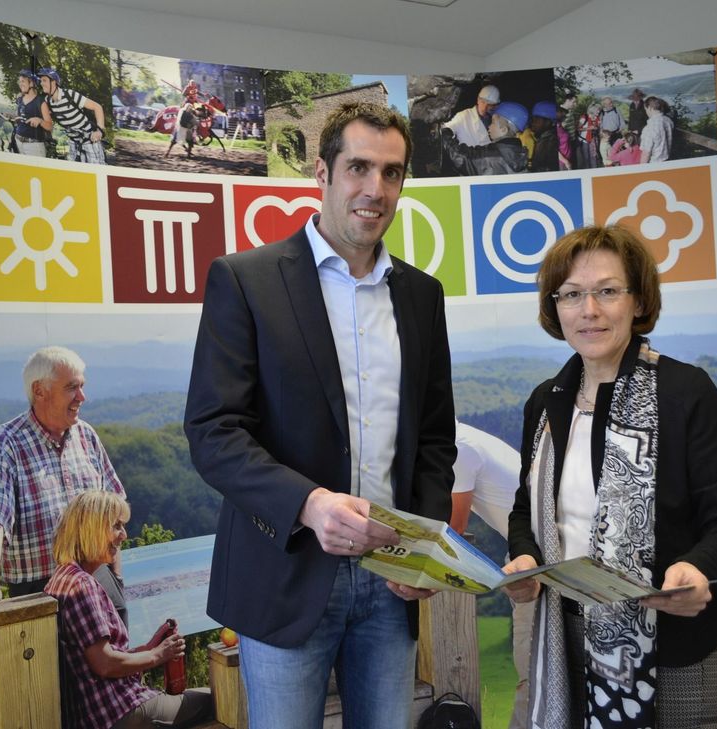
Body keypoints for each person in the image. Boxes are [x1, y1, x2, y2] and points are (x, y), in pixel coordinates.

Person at [184, 101, 457, 729]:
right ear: (322, 172)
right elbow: (214, 431)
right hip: (284, 575)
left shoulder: (422, 296)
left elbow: (435, 440)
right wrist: (310, 505)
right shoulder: (246, 280)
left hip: (392, 582)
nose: (374, 188)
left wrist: (425, 548)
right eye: (358, 166)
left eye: (391, 173)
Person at [503, 225, 717, 729]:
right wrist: (525, 556)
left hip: (675, 645)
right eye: (572, 294)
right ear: (555, 308)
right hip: (565, 635)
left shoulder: (686, 392)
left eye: (607, 291)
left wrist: (698, 568)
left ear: (638, 301)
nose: (589, 310)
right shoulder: (546, 400)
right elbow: (523, 509)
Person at [0, 346, 128, 634]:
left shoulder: (87, 436)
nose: (82, 397)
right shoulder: (5, 444)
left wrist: (116, 579)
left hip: (99, 582)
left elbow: (114, 510)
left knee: (118, 674)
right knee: (51, 679)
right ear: (39, 391)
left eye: (82, 386)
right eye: (72, 388)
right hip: (40, 592)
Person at [45, 491, 213, 729]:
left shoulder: (63, 578)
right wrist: (158, 655)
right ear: (91, 529)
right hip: (115, 711)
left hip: (95, 711)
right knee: (215, 698)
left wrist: (148, 648)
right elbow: (104, 664)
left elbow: (99, 653)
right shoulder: (82, 586)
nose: (123, 535)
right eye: (116, 526)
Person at [449, 422, 533, 729]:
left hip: (534, 561)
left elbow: (453, 527)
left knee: (531, 670)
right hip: (537, 552)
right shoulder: (468, 438)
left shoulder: (458, 447)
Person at [38, 67, 107, 164]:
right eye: (41, 81)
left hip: (89, 139)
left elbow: (97, 107)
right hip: (73, 143)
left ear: (53, 82)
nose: (41, 83)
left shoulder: (69, 94)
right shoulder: (48, 101)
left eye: (44, 80)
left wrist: (99, 130)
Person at [441, 100, 529, 176]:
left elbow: (462, 158)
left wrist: (444, 133)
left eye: (493, 123)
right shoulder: (520, 153)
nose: (489, 127)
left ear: (503, 129)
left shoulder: (494, 157)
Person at [12, 69, 52, 157]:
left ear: (31, 83)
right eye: (19, 81)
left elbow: (49, 126)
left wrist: (40, 121)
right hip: (18, 141)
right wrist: (16, 118)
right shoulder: (19, 99)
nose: (20, 84)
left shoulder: (40, 102)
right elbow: (20, 116)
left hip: (34, 146)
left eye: (23, 81)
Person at [640, 95, 674, 163]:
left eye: (645, 109)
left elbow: (646, 154)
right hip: (667, 161)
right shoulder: (668, 121)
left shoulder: (649, 128)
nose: (646, 112)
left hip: (654, 164)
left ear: (649, 108)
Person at [528, 101, 560, 173]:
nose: (533, 123)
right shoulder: (543, 138)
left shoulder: (552, 142)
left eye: (537, 120)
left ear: (549, 122)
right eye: (533, 119)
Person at [598, 96, 625, 165]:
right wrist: (601, 133)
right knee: (608, 151)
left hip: (617, 133)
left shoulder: (617, 110)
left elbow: (622, 120)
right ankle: (610, 164)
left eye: (611, 102)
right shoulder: (602, 112)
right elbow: (600, 124)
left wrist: (621, 129)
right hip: (607, 135)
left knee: (619, 149)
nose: (611, 104)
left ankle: (619, 163)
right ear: (605, 104)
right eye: (609, 103)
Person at [576, 102, 601, 169]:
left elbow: (598, 127)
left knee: (593, 157)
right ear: (593, 110)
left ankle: (594, 170)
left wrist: (597, 128)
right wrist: (588, 128)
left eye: (599, 110)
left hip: (593, 140)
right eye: (597, 110)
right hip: (584, 140)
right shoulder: (584, 117)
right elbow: (578, 128)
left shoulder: (597, 118)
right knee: (586, 157)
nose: (599, 111)